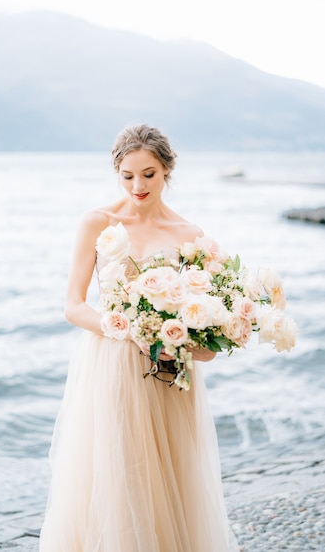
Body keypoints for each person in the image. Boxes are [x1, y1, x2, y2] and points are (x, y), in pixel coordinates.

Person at [39, 124, 239, 552]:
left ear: (167, 169)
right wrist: (126, 328)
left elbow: (204, 322)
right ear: (116, 171)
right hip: (114, 366)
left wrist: (200, 338)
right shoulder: (98, 223)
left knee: (173, 479)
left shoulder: (190, 235)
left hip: (171, 371)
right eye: (127, 175)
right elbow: (73, 305)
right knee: (120, 476)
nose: (138, 185)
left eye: (148, 174)